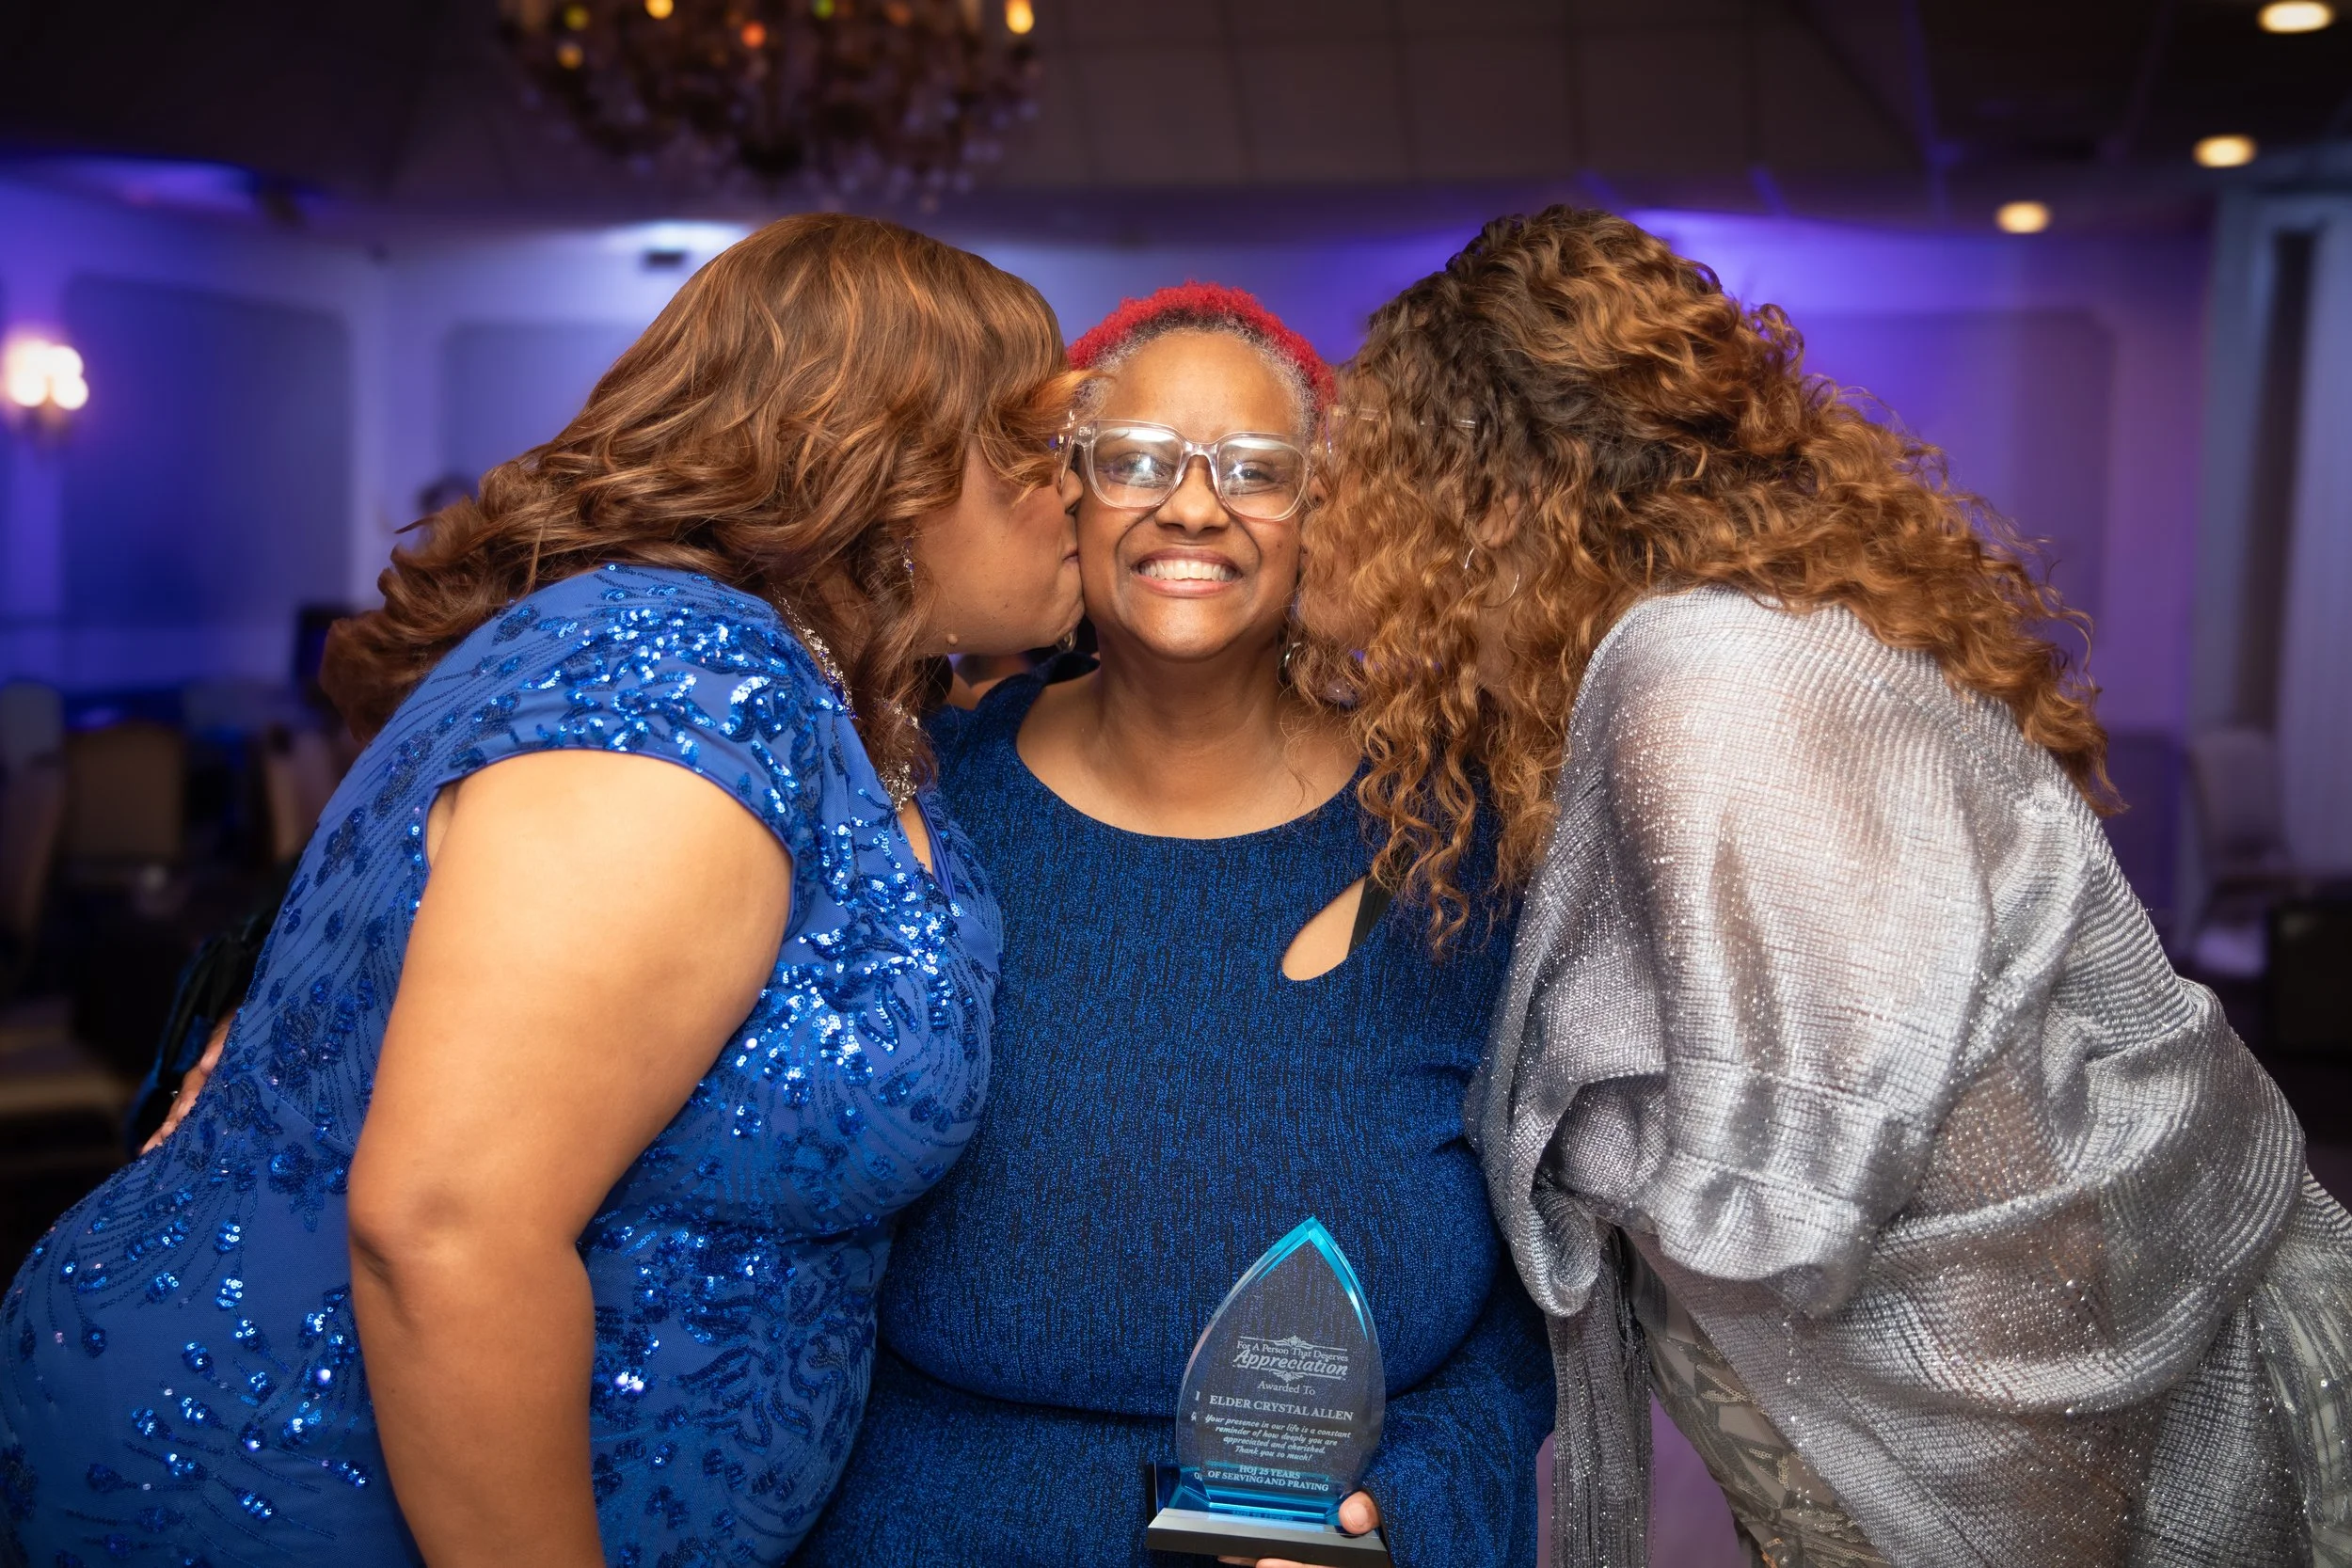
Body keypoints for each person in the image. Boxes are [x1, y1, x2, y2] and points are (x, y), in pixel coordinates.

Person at [0, 214, 1084, 1568]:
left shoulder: (832, 699)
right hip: (289, 1486)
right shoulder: (689, 680)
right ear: (887, 462)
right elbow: (448, 1227)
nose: (1079, 492)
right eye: (1039, 450)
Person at [1298, 204, 2352, 1568]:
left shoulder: (1709, 688)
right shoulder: (1694, 665)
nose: (1339, 518)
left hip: (2001, 1502)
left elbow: (1972, 1209)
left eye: (1363, 475)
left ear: (1488, 492)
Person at [795, 284, 1554, 1568]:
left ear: (1324, 514)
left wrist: (1407, 1509)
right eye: (1137, 459)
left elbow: (1544, 1296)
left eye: (1255, 468)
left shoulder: (1461, 849)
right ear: (1064, 497)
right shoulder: (917, 809)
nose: (1192, 506)